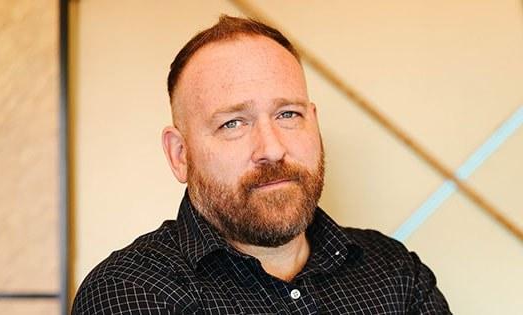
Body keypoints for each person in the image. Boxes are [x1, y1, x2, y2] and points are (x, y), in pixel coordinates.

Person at [72, 15, 451, 314]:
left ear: (314, 125)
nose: (272, 148)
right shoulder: (131, 292)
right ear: (179, 155)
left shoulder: (395, 273)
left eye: (288, 114)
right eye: (232, 123)